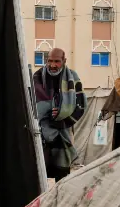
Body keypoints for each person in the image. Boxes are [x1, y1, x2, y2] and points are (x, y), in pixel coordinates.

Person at [33, 48, 86, 181]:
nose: (52, 65)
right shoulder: (37, 77)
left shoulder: (73, 77)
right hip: (41, 133)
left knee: (61, 176)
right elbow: (32, 104)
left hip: (63, 133)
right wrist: (50, 111)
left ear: (64, 61)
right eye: (50, 61)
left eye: (57, 61)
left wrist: (62, 115)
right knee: (39, 174)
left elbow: (80, 106)